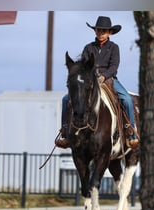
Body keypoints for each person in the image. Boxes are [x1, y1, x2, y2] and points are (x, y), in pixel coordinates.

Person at [55, 16, 139, 149]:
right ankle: (65, 132)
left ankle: (131, 133)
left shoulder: (114, 48)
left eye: (104, 31)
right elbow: (84, 67)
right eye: (98, 30)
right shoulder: (88, 48)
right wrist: (92, 77)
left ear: (110, 33)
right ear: (95, 31)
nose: (101, 33)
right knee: (66, 99)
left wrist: (104, 77)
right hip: (91, 81)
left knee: (127, 99)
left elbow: (114, 66)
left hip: (109, 79)